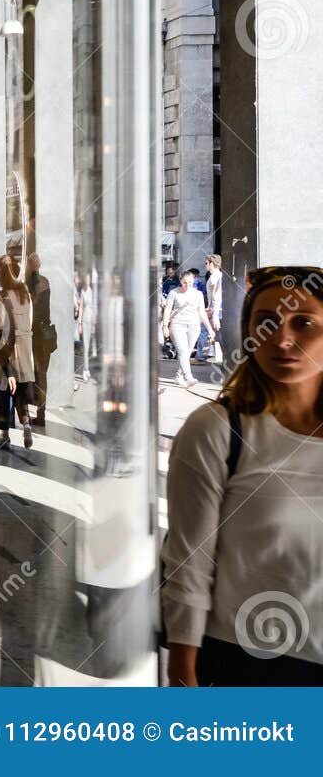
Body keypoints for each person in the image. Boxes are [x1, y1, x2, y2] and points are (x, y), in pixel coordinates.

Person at [163, 265, 323, 685]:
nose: (283, 339)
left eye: (304, 323)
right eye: (265, 323)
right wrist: (183, 673)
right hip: (249, 663)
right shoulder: (219, 430)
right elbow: (189, 565)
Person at [0, 255, 36, 450]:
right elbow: (31, 318)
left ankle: (5, 434)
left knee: (4, 391)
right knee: (22, 390)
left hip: (7, 347)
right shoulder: (25, 292)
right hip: (25, 345)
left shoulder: (1, 295)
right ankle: (26, 423)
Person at [161, 268, 213, 387]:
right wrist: (165, 326)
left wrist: (209, 329)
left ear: (193, 281)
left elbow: (202, 312)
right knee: (183, 351)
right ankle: (188, 377)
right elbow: (168, 309)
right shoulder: (174, 292)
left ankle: (178, 376)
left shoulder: (198, 294)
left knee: (186, 353)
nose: (187, 285)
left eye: (190, 282)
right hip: (177, 325)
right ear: (180, 281)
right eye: (185, 282)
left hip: (194, 325)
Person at [27, 253, 56, 427]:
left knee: (34, 375)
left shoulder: (30, 283)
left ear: (31, 265)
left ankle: (35, 412)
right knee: (42, 376)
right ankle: (41, 413)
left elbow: (33, 309)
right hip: (44, 335)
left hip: (34, 335)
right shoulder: (46, 282)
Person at [200, 254, 225, 361]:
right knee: (214, 333)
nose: (205, 265)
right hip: (215, 309)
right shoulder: (216, 276)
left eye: (206, 263)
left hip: (216, 310)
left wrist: (212, 312)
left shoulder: (215, 277)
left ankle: (200, 355)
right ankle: (212, 354)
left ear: (211, 263)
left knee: (205, 331)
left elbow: (216, 296)